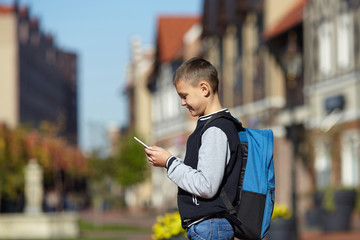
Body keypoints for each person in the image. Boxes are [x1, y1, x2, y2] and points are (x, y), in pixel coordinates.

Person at [145, 57, 242, 240]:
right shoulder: (211, 126)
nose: (182, 102)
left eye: (184, 95)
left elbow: (206, 185)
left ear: (204, 89)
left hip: (210, 226)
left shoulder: (215, 129)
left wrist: (169, 162)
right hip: (208, 226)